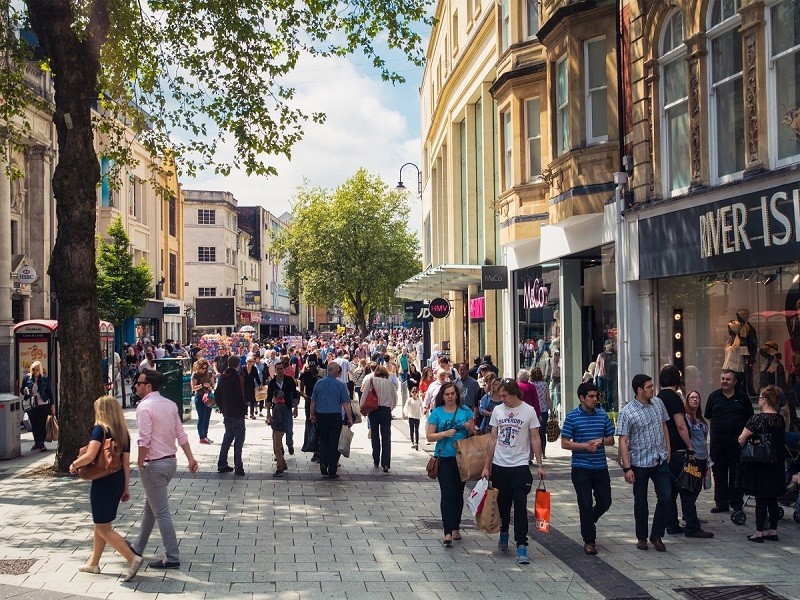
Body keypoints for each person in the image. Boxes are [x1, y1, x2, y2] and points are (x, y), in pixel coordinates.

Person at [129, 369, 199, 570]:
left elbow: (144, 439)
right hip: (170, 463)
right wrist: (191, 458)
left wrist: (140, 462)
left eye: (139, 383)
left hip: (154, 464)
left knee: (160, 511)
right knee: (150, 507)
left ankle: (172, 556)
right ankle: (138, 546)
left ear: (148, 386)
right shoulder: (170, 405)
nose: (136, 386)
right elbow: (181, 434)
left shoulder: (144, 407)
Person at [69, 396, 142, 581]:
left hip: (103, 481)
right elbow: (126, 464)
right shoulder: (123, 433)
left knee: (103, 527)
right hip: (117, 480)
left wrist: (75, 464)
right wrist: (125, 487)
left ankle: (131, 558)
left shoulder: (100, 429)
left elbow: (91, 454)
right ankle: (94, 563)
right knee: (101, 524)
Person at [481, 378, 545, 565]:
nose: (502, 399)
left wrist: (540, 464)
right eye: (500, 396)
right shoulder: (498, 411)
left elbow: (535, 438)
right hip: (500, 465)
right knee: (503, 503)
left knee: (520, 505)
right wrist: (487, 466)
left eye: (504, 395)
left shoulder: (529, 410)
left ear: (514, 392)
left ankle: (522, 544)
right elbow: (492, 439)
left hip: (520, 466)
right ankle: (503, 530)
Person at [616, 374, 671, 552]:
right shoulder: (628, 412)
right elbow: (623, 440)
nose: (652, 389)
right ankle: (642, 537)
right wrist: (627, 468)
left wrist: (668, 448)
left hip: (659, 458)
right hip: (639, 462)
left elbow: (664, 425)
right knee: (641, 501)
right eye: (649, 387)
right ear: (639, 390)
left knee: (666, 497)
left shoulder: (658, 404)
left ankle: (657, 534)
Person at [659, 365, 714, 539]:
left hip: (665, 450)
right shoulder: (674, 399)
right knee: (689, 488)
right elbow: (680, 425)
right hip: (680, 450)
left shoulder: (658, 398)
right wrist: (690, 447)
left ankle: (672, 524)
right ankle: (692, 526)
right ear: (676, 379)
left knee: (672, 490)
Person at [561, 382, 615, 555]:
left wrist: (600, 441)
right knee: (585, 503)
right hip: (581, 467)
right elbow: (564, 443)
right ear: (582, 398)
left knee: (605, 501)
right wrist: (585, 446)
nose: (594, 399)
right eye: (590, 396)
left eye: (596, 396)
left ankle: (589, 520)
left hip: (600, 466)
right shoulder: (572, 417)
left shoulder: (602, 415)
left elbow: (611, 439)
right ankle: (589, 541)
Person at [426, 382, 477, 547]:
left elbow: (473, 434)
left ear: (457, 395)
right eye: (447, 394)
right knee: (447, 493)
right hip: (445, 457)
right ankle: (447, 531)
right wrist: (445, 434)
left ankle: (456, 526)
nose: (450, 397)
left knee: (458, 493)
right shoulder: (437, 413)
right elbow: (429, 436)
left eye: (452, 394)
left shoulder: (465, 411)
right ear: (443, 396)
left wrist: (470, 428)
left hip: (463, 458)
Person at [738, 385, 786, 542]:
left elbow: (741, 438)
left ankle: (758, 532)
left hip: (760, 463)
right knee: (772, 498)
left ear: (765, 400)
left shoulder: (757, 419)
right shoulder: (780, 419)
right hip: (776, 463)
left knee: (760, 498)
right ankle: (773, 531)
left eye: (759, 397)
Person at [704, 369, 753, 513]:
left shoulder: (743, 398)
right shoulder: (714, 397)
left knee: (736, 473)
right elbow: (709, 416)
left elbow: (750, 419)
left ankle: (736, 502)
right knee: (719, 474)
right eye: (723, 379)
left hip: (737, 444)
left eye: (728, 379)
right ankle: (721, 503)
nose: (725, 381)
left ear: (735, 382)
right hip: (718, 444)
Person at [310, 362, 354, 479]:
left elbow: (313, 401)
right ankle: (332, 469)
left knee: (323, 440)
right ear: (336, 371)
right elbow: (346, 403)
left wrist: (312, 414)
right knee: (334, 441)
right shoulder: (340, 385)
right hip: (335, 416)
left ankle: (323, 462)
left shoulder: (319, 383)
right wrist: (349, 418)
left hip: (322, 416)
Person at [361, 364, 397, 473]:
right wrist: (391, 407)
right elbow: (395, 399)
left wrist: (362, 408)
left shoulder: (371, 381)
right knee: (386, 437)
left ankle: (376, 459)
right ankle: (386, 463)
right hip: (385, 411)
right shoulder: (389, 383)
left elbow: (364, 396)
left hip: (373, 410)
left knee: (375, 435)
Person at [216, 355, 248, 476]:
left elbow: (217, 393)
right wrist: (244, 408)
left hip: (227, 413)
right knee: (239, 439)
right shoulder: (237, 377)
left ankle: (222, 463)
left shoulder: (223, 377)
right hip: (237, 413)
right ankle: (238, 465)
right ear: (238, 364)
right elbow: (240, 395)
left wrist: (222, 407)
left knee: (228, 437)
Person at [265, 361, 300, 455]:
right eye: (278, 369)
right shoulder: (272, 382)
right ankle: (279, 450)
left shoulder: (289, 380)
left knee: (289, 429)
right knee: (277, 431)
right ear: (275, 370)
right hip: (276, 410)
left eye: (281, 368)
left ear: (284, 369)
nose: (280, 370)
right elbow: (268, 398)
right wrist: (268, 413)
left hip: (287, 408)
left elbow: (294, 395)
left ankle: (289, 444)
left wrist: (296, 408)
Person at [21, 361, 55, 452]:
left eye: (37, 370)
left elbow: (50, 392)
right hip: (31, 405)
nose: (35, 371)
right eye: (33, 369)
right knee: (34, 425)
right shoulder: (27, 378)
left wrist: (52, 405)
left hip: (43, 404)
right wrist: (24, 391)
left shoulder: (44, 378)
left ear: (40, 370)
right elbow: (21, 389)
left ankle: (41, 443)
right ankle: (37, 443)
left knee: (41, 424)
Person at [190, 358, 215, 444]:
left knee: (207, 417)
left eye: (205, 368)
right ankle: (201, 437)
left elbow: (213, 385)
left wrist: (210, 386)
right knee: (201, 417)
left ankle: (205, 435)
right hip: (200, 397)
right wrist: (202, 385)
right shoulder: (195, 375)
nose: (203, 370)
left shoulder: (209, 374)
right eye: (202, 368)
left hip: (209, 397)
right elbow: (193, 388)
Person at [531, 367, 552, 459]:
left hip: (534, 410)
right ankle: (543, 452)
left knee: (534, 432)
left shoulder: (531, 385)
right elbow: (547, 398)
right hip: (543, 410)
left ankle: (536, 451)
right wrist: (551, 409)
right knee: (542, 432)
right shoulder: (545, 384)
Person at [268, 391, 289, 477]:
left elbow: (278, 420)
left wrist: (271, 422)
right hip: (281, 429)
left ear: (275, 398)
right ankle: (283, 464)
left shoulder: (277, 407)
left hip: (277, 429)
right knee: (278, 447)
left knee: (277, 449)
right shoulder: (283, 406)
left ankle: (280, 468)